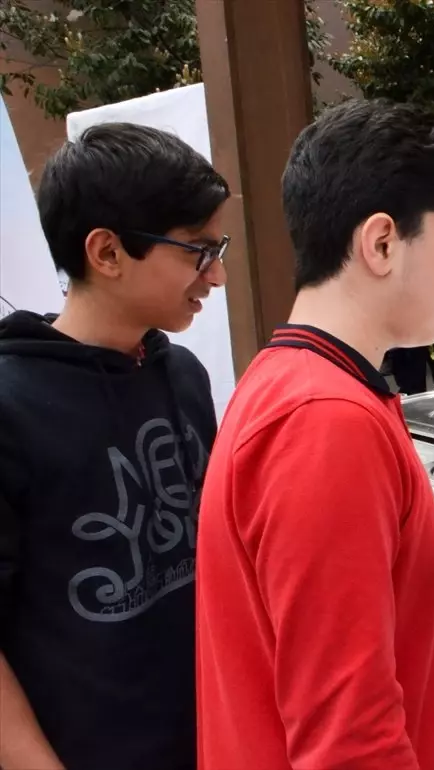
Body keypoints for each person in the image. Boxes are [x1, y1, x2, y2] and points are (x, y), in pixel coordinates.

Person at [195, 99, 434, 769]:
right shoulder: (325, 424)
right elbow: (348, 745)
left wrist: (430, 717)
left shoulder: (297, 379)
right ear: (382, 242)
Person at [0, 123, 229, 769]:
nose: (217, 275)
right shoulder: (11, 405)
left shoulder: (182, 374)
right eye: (198, 251)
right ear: (106, 252)